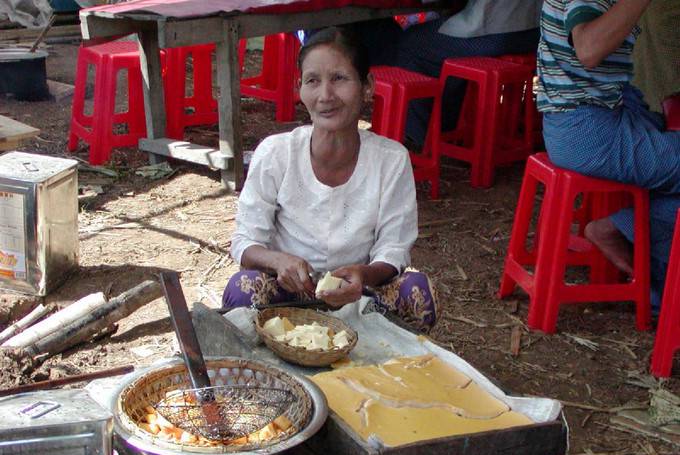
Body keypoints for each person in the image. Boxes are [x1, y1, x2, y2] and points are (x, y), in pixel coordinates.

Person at [223, 27, 438, 331]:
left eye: (339, 78)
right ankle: (266, 371)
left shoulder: (391, 160)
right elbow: (245, 242)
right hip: (287, 299)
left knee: (417, 292)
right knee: (243, 288)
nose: (326, 95)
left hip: (360, 297)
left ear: (367, 86)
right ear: (300, 89)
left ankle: (382, 372)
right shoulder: (276, 153)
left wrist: (363, 275)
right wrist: (278, 262)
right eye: (313, 81)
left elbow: (394, 248)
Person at [536, 0, 680, 307]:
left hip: (594, 119)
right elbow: (588, 47)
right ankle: (619, 233)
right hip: (587, 130)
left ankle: (648, 270)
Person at [350, 0, 543, 145]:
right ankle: (445, 122)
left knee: (412, 44)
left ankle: (417, 134)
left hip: (497, 28)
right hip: (533, 29)